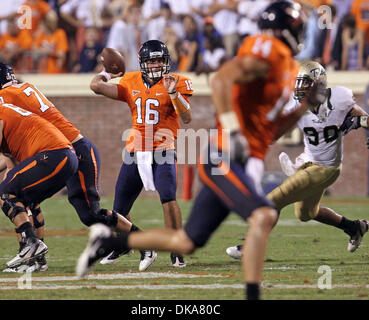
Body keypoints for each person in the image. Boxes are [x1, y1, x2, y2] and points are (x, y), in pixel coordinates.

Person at [76, 2, 317, 300]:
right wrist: (234, 128)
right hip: (219, 154)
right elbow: (222, 79)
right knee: (264, 214)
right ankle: (253, 294)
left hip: (200, 151)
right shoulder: (269, 50)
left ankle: (111, 243)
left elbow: (269, 129)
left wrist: (305, 107)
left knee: (187, 240)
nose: (154, 67)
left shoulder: (287, 68)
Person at [0, 61, 142, 272]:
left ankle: (140, 240)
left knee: (90, 213)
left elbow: (1, 154)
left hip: (63, 149)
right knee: (28, 197)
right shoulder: (22, 90)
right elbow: (12, 156)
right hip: (58, 148)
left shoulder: (1, 101)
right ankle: (36, 258)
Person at [226, 60, 369, 260]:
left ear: (318, 84)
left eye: (305, 83)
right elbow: (275, 134)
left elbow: (364, 118)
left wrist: (360, 126)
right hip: (308, 162)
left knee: (274, 199)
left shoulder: (339, 98)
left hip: (327, 168)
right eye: (299, 82)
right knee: (306, 214)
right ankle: (354, 227)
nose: (300, 88)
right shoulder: (295, 105)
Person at [89, 39, 193, 269]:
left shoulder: (178, 82)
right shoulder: (131, 80)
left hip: (163, 148)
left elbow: (187, 118)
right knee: (120, 207)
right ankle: (123, 244)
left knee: (168, 196)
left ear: (166, 61)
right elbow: (96, 87)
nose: (156, 65)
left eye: (159, 60)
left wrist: (174, 94)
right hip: (135, 149)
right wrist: (107, 72)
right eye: (151, 60)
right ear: (143, 63)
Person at [0, 86, 78, 270]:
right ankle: (36, 260)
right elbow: (12, 168)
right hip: (64, 157)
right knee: (25, 201)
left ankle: (31, 244)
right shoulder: (6, 114)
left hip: (53, 155)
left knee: (5, 193)